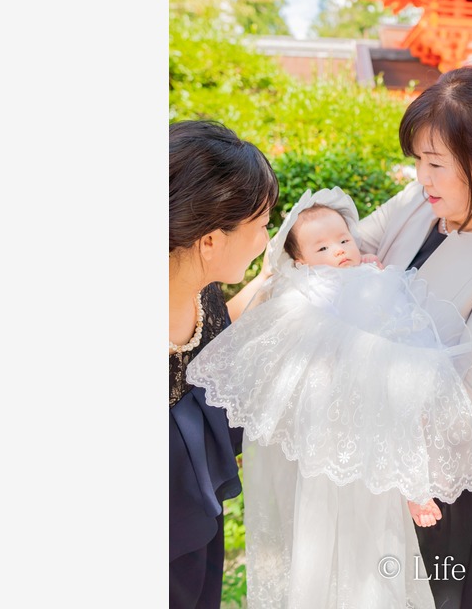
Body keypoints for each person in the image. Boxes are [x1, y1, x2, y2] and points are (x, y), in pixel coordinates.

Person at [186, 186, 472, 608]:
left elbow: (400, 368)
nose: (340, 251)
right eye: (323, 247)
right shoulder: (299, 293)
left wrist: (370, 281)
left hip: (369, 431)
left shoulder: (374, 283)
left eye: (344, 240)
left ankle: (409, 489)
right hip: (322, 438)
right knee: (315, 534)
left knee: (372, 539)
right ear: (301, 261)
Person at [351, 65, 472, 608]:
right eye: (418, 160)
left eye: (435, 163)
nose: (423, 178)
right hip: (367, 460)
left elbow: (471, 403)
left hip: (439, 483)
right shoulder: (423, 204)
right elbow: (348, 245)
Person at [169, 119, 278, 609]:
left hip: (197, 535)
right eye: (261, 226)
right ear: (210, 240)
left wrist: (269, 282)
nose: (266, 236)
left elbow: (209, 343)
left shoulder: (197, 284)